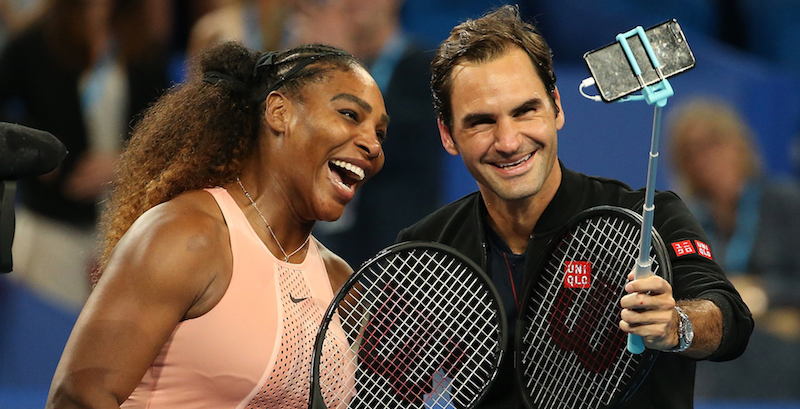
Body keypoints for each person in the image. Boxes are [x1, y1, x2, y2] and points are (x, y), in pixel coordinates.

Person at [396, 6, 753, 408]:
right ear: (448, 135)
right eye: (481, 121)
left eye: (525, 110)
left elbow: (729, 319)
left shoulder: (650, 217)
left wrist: (675, 325)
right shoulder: (421, 251)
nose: (509, 141)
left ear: (556, 108)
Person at [45, 41, 388, 408]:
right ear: (279, 112)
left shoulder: (340, 282)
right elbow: (78, 396)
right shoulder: (188, 234)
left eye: (381, 134)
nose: (372, 145)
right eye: (350, 115)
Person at [0, 0, 170, 310]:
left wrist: (122, 163)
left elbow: (166, 132)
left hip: (124, 231)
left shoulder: (141, 40)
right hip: (53, 230)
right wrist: (34, 151)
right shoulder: (35, 41)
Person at [667, 97, 800, 399]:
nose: (705, 159)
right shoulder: (687, 221)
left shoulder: (786, 204)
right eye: (692, 152)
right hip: (716, 365)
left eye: (714, 144)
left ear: (739, 145)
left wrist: (766, 294)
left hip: (783, 363)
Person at [293, 0, 441, 267]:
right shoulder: (308, 75)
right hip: (311, 254)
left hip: (396, 269)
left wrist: (338, 68)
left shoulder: (427, 70)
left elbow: (384, 149)